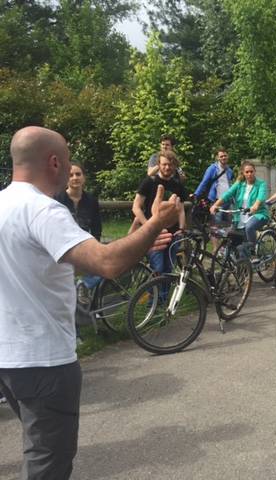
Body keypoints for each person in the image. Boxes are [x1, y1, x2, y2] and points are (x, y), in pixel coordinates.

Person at [0, 126, 180, 479]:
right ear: (54, 162)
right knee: (47, 464)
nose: (70, 169)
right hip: (44, 361)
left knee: (37, 444)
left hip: (8, 359)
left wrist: (142, 236)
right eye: (67, 160)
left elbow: (45, 268)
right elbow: (107, 263)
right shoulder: (43, 211)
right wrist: (157, 222)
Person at [133, 150, 188, 276]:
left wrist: (181, 228)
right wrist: (148, 226)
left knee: (169, 270)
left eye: (170, 164)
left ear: (174, 166)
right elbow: (136, 207)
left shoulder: (177, 185)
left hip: (173, 234)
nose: (167, 167)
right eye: (164, 164)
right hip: (154, 234)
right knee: (157, 268)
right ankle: (154, 296)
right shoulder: (149, 182)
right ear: (159, 164)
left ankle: (163, 296)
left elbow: (181, 208)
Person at [54, 162, 103, 300]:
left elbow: (96, 226)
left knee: (105, 264)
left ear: (84, 177)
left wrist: (96, 245)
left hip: (85, 244)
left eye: (78, 174)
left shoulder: (92, 201)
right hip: (62, 246)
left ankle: (85, 285)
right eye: (71, 175)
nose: (75, 177)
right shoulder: (57, 199)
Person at [211, 160, 269, 255]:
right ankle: (241, 264)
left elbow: (260, 197)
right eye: (247, 172)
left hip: (258, 214)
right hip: (240, 216)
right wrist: (215, 205)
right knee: (234, 241)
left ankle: (253, 249)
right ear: (243, 173)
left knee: (249, 227)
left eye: (251, 171)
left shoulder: (261, 184)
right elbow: (227, 194)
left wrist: (255, 206)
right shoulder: (239, 184)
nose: (249, 174)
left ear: (254, 171)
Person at [194, 148, 235, 222]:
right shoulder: (212, 168)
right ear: (217, 158)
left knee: (230, 223)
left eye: (225, 156)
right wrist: (196, 194)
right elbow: (204, 182)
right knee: (217, 223)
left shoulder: (229, 170)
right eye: (221, 156)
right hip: (217, 200)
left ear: (228, 156)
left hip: (228, 200)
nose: (223, 158)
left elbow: (231, 184)